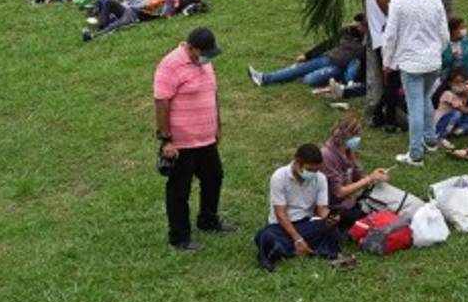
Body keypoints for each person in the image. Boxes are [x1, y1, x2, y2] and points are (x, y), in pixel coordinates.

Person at [154, 28, 235, 252]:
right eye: (203, 53)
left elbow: (213, 93)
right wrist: (166, 140)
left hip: (206, 138)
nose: (207, 57)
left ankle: (208, 220)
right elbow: (161, 103)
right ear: (190, 48)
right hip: (182, 141)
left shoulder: (205, 62)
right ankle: (179, 237)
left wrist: (217, 125)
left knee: (214, 177)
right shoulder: (170, 65)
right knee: (180, 190)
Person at [382, 0, 450, 166]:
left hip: (411, 62)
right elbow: (444, 34)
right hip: (432, 61)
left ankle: (415, 153)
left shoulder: (398, 2)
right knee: (425, 99)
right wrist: (436, 51)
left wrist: (388, 61)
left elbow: (391, 34)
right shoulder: (435, 1)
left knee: (415, 106)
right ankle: (430, 140)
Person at [254, 144, 358, 272]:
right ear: (297, 162)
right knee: (265, 236)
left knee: (330, 228)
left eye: (316, 170)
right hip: (281, 226)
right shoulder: (279, 177)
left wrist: (330, 217)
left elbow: (322, 209)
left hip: (306, 223)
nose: (313, 173)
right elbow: (280, 214)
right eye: (309, 169)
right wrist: (298, 239)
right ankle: (303, 248)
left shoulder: (320, 178)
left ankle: (299, 250)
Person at [248, 15, 366, 88]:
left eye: (360, 24)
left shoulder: (369, 42)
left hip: (339, 69)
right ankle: (264, 78)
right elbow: (327, 44)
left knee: (309, 80)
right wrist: (307, 55)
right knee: (296, 69)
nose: (357, 25)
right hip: (327, 59)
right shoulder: (347, 31)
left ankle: (302, 75)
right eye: (357, 22)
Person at [319, 114, 390, 230]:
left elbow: (359, 177)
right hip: (333, 208)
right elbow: (339, 192)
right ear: (347, 135)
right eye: (357, 135)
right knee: (375, 221)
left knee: (385, 208)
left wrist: (376, 178)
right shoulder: (327, 156)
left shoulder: (347, 151)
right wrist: (369, 179)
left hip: (348, 203)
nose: (358, 138)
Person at [366, 0, 406, 131]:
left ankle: (379, 115)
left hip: (378, 38)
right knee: (393, 82)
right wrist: (392, 17)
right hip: (387, 39)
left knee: (392, 81)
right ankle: (386, 119)